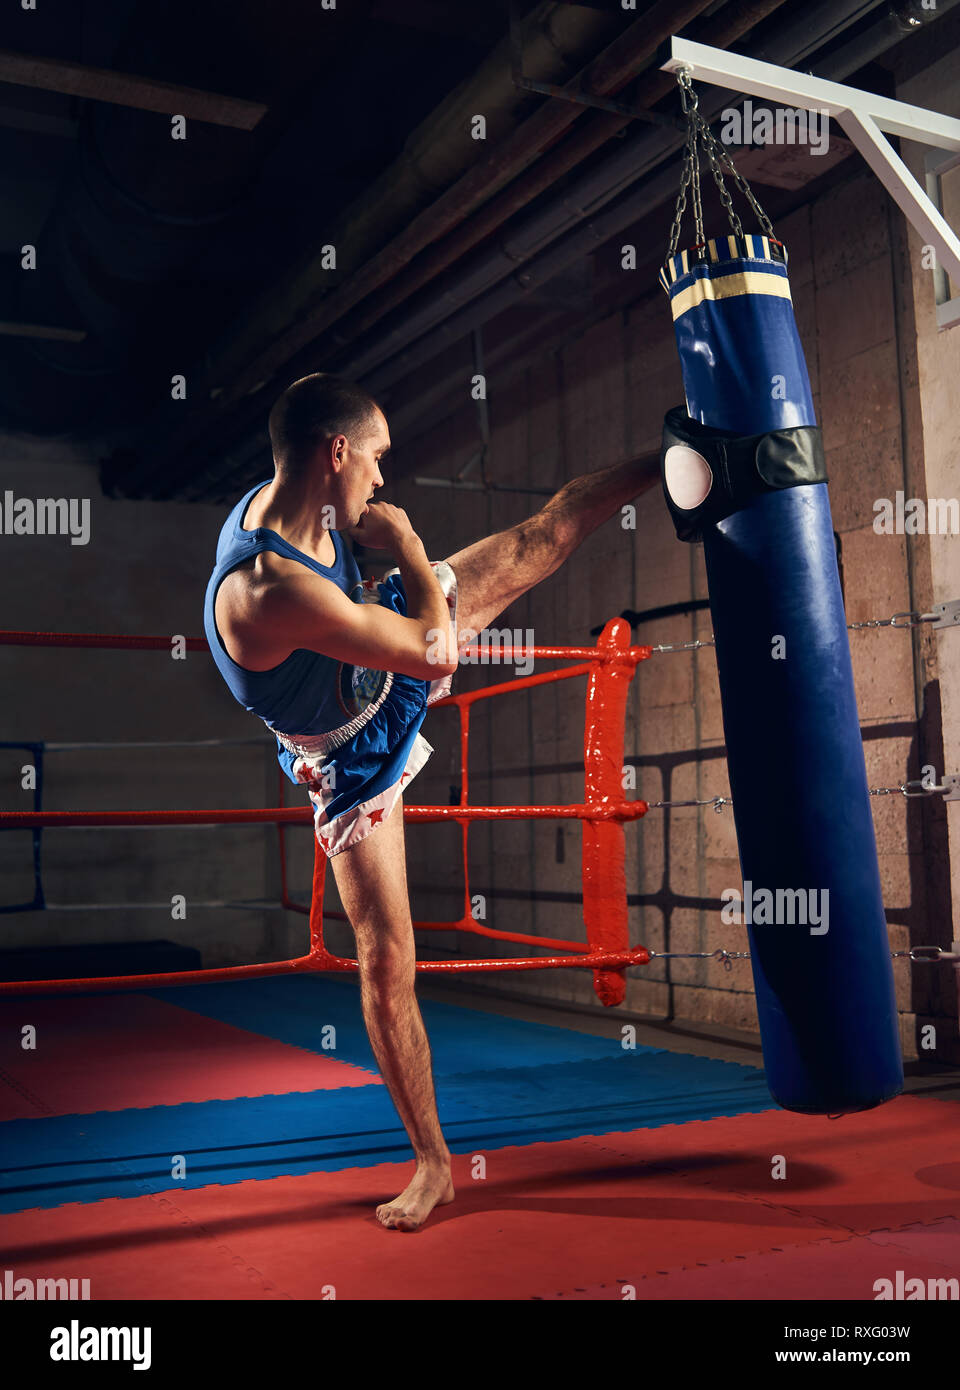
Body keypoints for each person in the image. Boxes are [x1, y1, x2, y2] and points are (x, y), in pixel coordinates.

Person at [204, 373, 657, 1231]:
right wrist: (410, 544)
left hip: (379, 643)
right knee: (386, 961)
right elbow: (436, 655)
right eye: (375, 460)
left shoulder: (296, 498)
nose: (382, 481)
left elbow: (406, 632)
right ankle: (433, 1164)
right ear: (335, 454)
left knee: (540, 537)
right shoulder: (268, 585)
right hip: (349, 755)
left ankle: (678, 446)